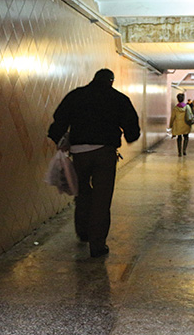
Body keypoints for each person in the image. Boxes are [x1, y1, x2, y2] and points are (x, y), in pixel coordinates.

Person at [48, 69, 141, 258]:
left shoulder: (76, 95)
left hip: (79, 154)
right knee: (101, 198)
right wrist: (130, 136)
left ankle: (83, 232)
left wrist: (60, 139)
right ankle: (97, 244)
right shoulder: (118, 98)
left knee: (82, 192)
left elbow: (58, 121)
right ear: (111, 81)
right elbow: (132, 127)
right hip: (104, 154)